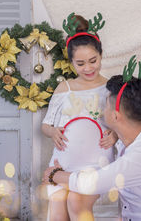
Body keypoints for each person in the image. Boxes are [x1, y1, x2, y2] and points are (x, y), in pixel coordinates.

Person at [43, 53, 141, 221]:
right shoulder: (127, 143)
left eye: (106, 105)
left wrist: (55, 174)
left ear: (116, 116)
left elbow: (94, 182)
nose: (102, 110)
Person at [41, 13, 118, 221]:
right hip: (63, 163)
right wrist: (52, 131)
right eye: (81, 63)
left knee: (77, 201)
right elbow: (46, 125)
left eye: (93, 61)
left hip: (96, 164)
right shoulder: (64, 88)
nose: (88, 68)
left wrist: (115, 136)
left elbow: (121, 124)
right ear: (72, 62)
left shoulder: (110, 88)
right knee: (58, 213)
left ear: (101, 55)